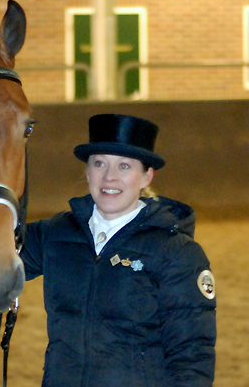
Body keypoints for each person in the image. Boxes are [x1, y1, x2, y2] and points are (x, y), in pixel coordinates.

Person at [20, 114, 216, 387]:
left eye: (124, 166)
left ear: (146, 176)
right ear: (87, 171)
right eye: (99, 163)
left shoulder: (178, 253)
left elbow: (192, 354)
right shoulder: (54, 234)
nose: (109, 177)